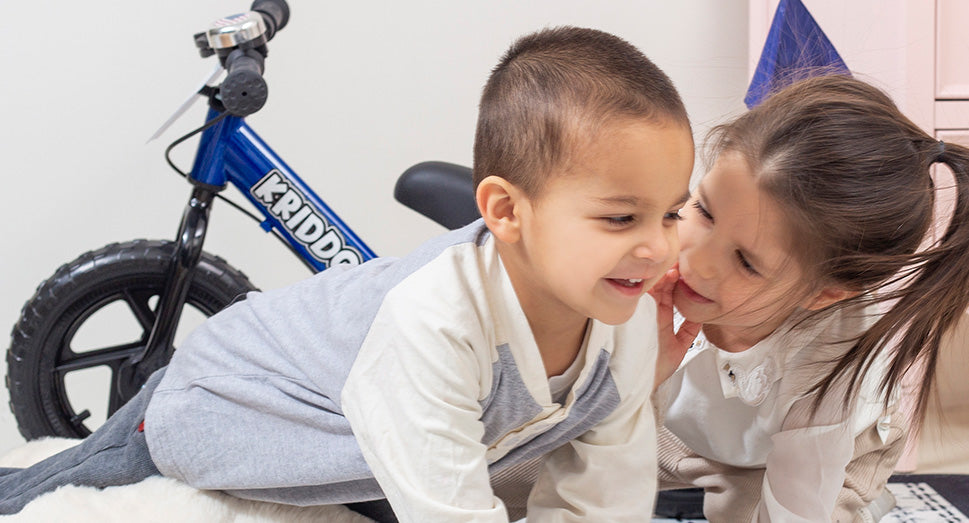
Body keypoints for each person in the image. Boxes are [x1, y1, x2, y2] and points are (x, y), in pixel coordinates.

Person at [0, 26, 695, 522]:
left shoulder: (624, 319)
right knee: (54, 483)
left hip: (349, 433)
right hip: (233, 393)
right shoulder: (437, 321)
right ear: (507, 212)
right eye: (619, 219)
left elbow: (601, 491)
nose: (655, 248)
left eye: (671, 213)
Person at [650, 74, 969, 522]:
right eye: (702, 210)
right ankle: (704, 479)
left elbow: (796, 510)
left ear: (823, 294)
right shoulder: (649, 247)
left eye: (745, 261)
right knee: (538, 453)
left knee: (759, 507)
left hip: (818, 449)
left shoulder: (833, 360)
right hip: (690, 431)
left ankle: (857, 500)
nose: (695, 262)